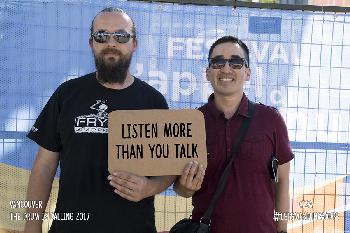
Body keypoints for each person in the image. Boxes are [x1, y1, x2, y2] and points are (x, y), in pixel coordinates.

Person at [24, 7, 175, 233]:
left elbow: (170, 169)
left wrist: (149, 187)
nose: (111, 43)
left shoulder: (153, 101)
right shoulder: (67, 94)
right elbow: (43, 168)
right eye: (102, 35)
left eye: (121, 36)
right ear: (91, 43)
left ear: (134, 44)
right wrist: (31, 228)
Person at [174, 36, 294, 233]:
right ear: (207, 72)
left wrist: (282, 230)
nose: (226, 69)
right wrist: (186, 187)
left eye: (236, 62)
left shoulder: (271, 120)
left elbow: (283, 181)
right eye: (218, 62)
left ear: (247, 73)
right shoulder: (191, 123)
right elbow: (181, 189)